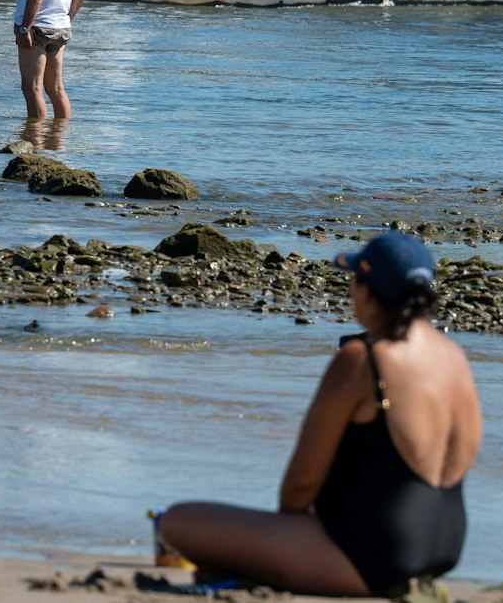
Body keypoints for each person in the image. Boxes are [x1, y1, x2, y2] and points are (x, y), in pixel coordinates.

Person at [158, 231, 481, 596]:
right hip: (444, 548)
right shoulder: (454, 358)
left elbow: (301, 485)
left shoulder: (362, 360)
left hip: (373, 560)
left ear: (366, 291)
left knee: (177, 521)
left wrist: (289, 539)